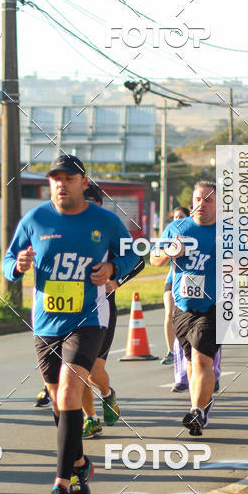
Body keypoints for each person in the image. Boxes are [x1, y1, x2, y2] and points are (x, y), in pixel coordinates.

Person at [3, 154, 139, 494]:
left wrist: (113, 267)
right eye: (54, 178)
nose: (60, 184)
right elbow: (8, 260)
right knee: (60, 404)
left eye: (68, 178)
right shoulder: (34, 219)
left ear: (83, 181)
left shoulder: (105, 220)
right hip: (46, 323)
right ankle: (79, 463)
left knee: (68, 392)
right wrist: (17, 266)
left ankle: (60, 487)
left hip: (88, 319)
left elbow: (133, 256)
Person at [151, 180, 218, 437]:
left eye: (208, 200)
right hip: (182, 306)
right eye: (198, 199)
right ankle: (198, 408)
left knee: (202, 359)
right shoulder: (177, 228)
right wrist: (169, 251)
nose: (201, 204)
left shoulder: (227, 232)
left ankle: (197, 412)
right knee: (191, 361)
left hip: (214, 306)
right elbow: (154, 259)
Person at [80, 183, 144, 438]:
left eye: (94, 207)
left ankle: (107, 394)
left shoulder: (108, 230)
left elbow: (138, 260)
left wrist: (116, 280)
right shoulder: (68, 230)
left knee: (95, 371)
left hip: (101, 308)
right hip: (72, 311)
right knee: (77, 370)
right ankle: (90, 418)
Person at [161, 207, 190, 366]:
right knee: (169, 314)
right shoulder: (170, 232)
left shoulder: (194, 232)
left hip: (190, 281)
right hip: (171, 280)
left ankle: (187, 349)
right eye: (175, 216)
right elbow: (156, 256)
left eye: (181, 217)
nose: (177, 219)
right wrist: (169, 251)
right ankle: (171, 351)